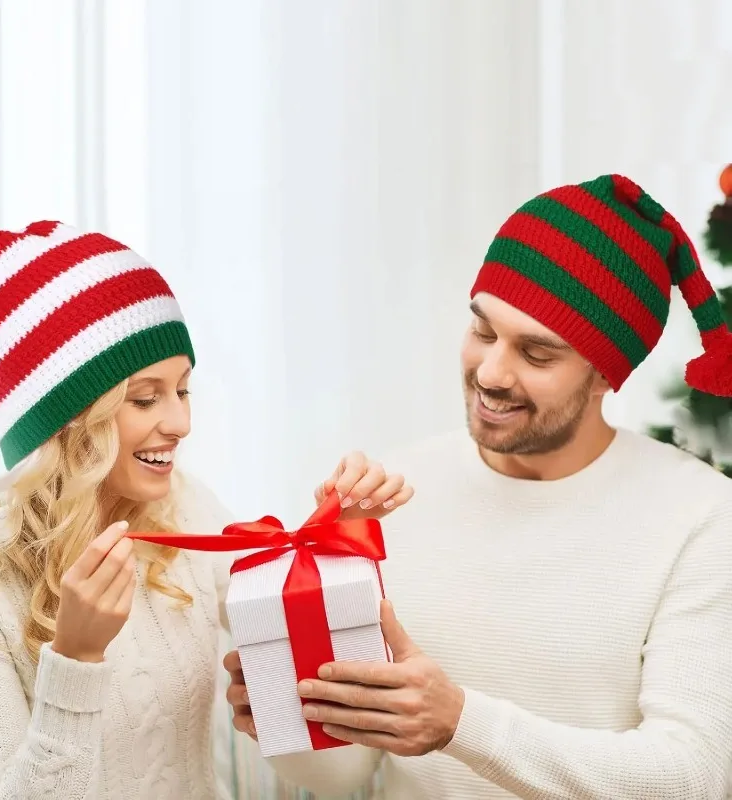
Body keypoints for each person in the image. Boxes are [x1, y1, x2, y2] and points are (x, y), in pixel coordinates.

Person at [226, 174, 732, 799]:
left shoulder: (701, 517)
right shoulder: (392, 495)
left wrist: (461, 722)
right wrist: (287, 714)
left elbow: (692, 777)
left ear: (606, 374)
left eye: (537, 354)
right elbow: (347, 777)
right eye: (483, 332)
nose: (491, 373)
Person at [0, 220, 413, 799]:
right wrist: (77, 659)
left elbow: (300, 659)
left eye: (183, 390)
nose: (181, 423)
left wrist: (329, 548)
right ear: (64, 423)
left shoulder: (184, 507)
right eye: (144, 398)